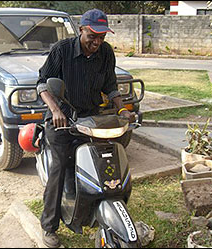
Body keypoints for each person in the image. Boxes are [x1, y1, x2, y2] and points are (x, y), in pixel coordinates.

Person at [36, 8, 134, 248]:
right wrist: (56, 110)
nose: (97, 42)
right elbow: (42, 84)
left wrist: (122, 109)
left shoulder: (106, 53)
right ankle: (49, 226)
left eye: (102, 37)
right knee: (60, 169)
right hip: (61, 120)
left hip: (91, 120)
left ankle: (98, 209)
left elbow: (111, 85)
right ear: (81, 30)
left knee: (105, 161)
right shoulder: (62, 50)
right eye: (93, 36)